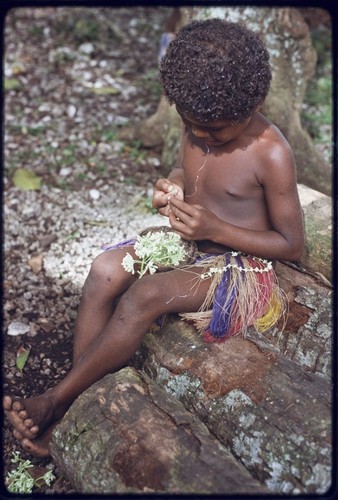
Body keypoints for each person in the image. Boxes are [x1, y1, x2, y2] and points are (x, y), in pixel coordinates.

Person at [3, 18, 304, 458]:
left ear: (253, 103)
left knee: (145, 295)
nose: (202, 136)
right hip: (190, 243)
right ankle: (77, 400)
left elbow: (289, 244)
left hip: (239, 267)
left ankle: (57, 402)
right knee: (105, 270)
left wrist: (215, 230)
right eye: (191, 125)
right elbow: (189, 171)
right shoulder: (200, 120)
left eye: (215, 130)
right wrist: (173, 185)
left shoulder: (270, 152)